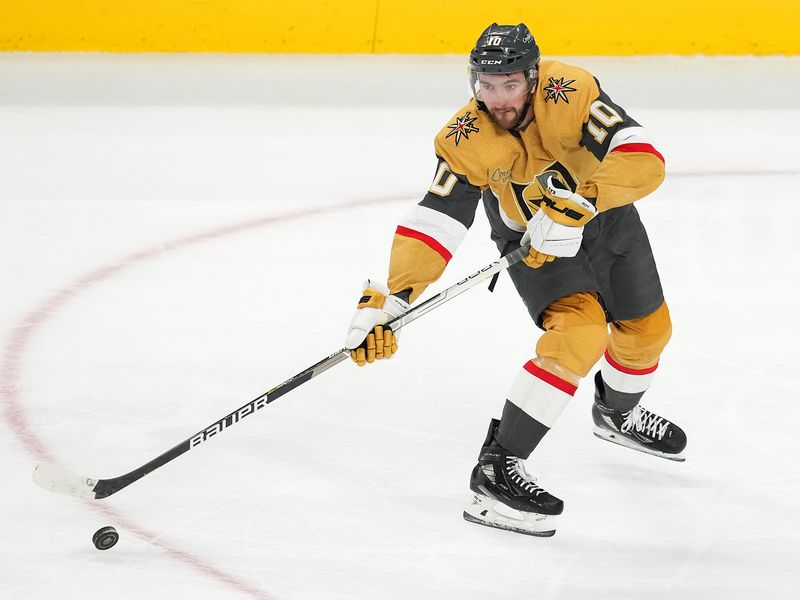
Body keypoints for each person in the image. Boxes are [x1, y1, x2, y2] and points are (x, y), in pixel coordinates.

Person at [344, 23, 686, 537]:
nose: (498, 98)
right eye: (486, 84)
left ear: (532, 76)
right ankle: (496, 469)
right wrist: (393, 296)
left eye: (509, 84)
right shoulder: (465, 137)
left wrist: (585, 201)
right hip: (536, 244)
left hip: (607, 219)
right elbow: (437, 219)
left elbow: (643, 156)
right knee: (579, 336)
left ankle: (615, 415)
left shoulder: (570, 91)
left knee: (649, 332)